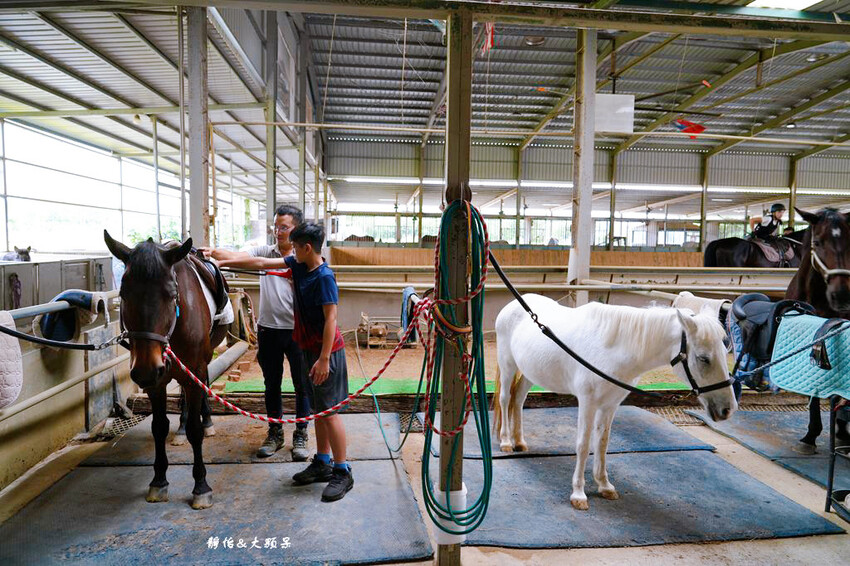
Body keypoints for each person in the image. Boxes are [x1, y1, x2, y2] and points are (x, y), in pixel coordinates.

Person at [244, 222, 354, 502]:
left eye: (295, 247)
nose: (291, 251)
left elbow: (332, 319)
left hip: (326, 354)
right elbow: (259, 261)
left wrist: (324, 359)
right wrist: (218, 256)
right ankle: (322, 462)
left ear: (307, 248)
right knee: (318, 410)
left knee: (329, 412)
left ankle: (342, 471)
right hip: (310, 350)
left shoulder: (324, 277)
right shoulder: (301, 266)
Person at [202, 205, 312, 461]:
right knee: (271, 384)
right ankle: (275, 432)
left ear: (297, 228)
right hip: (269, 329)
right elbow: (241, 255)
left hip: (298, 330)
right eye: (275, 226)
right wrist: (212, 252)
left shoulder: (306, 256)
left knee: (302, 385)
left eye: (284, 227)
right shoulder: (266, 251)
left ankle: (301, 433)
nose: (278, 231)